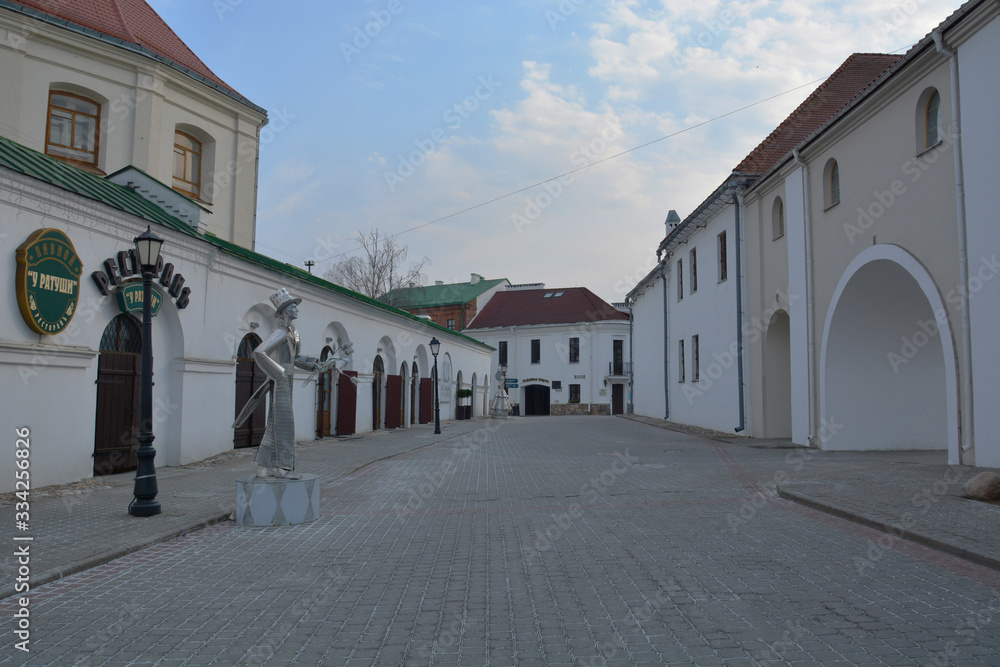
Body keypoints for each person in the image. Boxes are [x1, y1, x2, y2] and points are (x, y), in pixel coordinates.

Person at [233, 288, 352, 479]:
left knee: (275, 422)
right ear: (283, 311)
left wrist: (318, 365)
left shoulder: (293, 332)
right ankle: (284, 468)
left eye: (295, 306)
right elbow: (259, 352)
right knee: (285, 422)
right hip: (280, 380)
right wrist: (278, 373)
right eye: (292, 306)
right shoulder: (279, 332)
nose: (296, 309)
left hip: (286, 379)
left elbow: (296, 358)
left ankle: (266, 466)